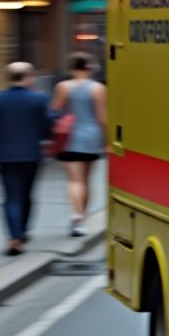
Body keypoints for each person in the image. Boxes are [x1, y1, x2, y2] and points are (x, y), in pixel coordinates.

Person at [0, 62, 52, 255]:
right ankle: (22, 232)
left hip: (5, 156)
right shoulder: (38, 99)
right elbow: (48, 127)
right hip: (31, 155)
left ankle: (14, 237)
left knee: (11, 197)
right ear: (28, 77)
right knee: (27, 195)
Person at [51, 53, 106, 237]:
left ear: (72, 67)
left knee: (75, 180)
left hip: (69, 136)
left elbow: (55, 109)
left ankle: (76, 215)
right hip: (91, 136)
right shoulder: (98, 88)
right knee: (86, 179)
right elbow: (102, 117)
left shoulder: (63, 86)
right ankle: (83, 217)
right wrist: (106, 141)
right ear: (89, 67)